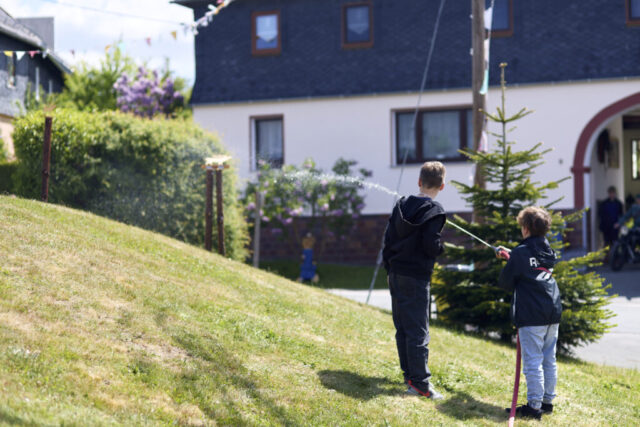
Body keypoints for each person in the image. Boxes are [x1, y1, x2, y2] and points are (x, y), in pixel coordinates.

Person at [382, 161, 447, 400]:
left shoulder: (401, 205)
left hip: (396, 273)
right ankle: (420, 383)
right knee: (418, 331)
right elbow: (430, 246)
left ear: (419, 182)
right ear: (442, 186)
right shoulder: (435, 211)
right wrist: (441, 248)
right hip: (416, 277)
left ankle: (410, 376)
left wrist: (389, 268)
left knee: (403, 328)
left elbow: (388, 239)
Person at [496, 206, 562, 420]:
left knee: (533, 361)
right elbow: (532, 264)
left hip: (532, 314)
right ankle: (547, 402)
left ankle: (534, 407)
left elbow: (505, 282)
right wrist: (512, 256)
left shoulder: (520, 253)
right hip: (552, 311)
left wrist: (510, 259)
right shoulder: (548, 250)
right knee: (549, 359)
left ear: (525, 228)